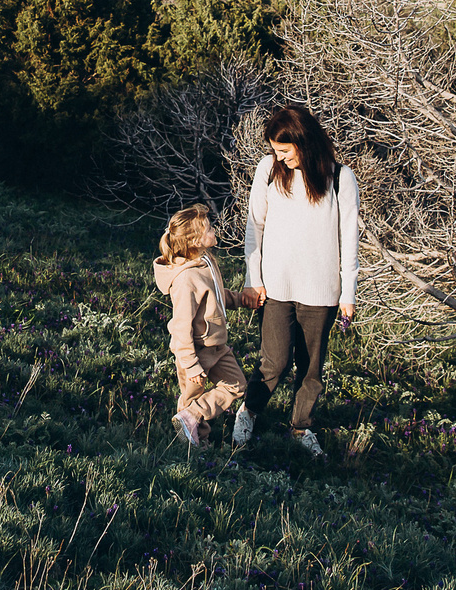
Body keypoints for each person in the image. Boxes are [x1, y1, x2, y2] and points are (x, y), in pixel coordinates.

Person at [243, 103, 357, 457]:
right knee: (273, 362)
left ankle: (300, 427)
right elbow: (254, 227)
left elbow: (349, 238)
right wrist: (252, 278)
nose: (279, 156)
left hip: (321, 291)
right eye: (275, 150)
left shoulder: (340, 176)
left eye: (284, 150)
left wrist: (348, 293)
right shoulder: (268, 170)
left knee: (311, 369)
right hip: (275, 287)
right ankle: (247, 415)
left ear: (303, 142)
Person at [153, 203, 259, 448]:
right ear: (195, 240)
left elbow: (216, 295)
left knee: (237, 385)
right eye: (209, 228)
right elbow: (180, 327)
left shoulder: (206, 261)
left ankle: (192, 418)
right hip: (196, 351)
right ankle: (195, 445)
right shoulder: (186, 279)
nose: (214, 230)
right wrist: (191, 365)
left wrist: (240, 300)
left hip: (217, 346)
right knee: (191, 396)